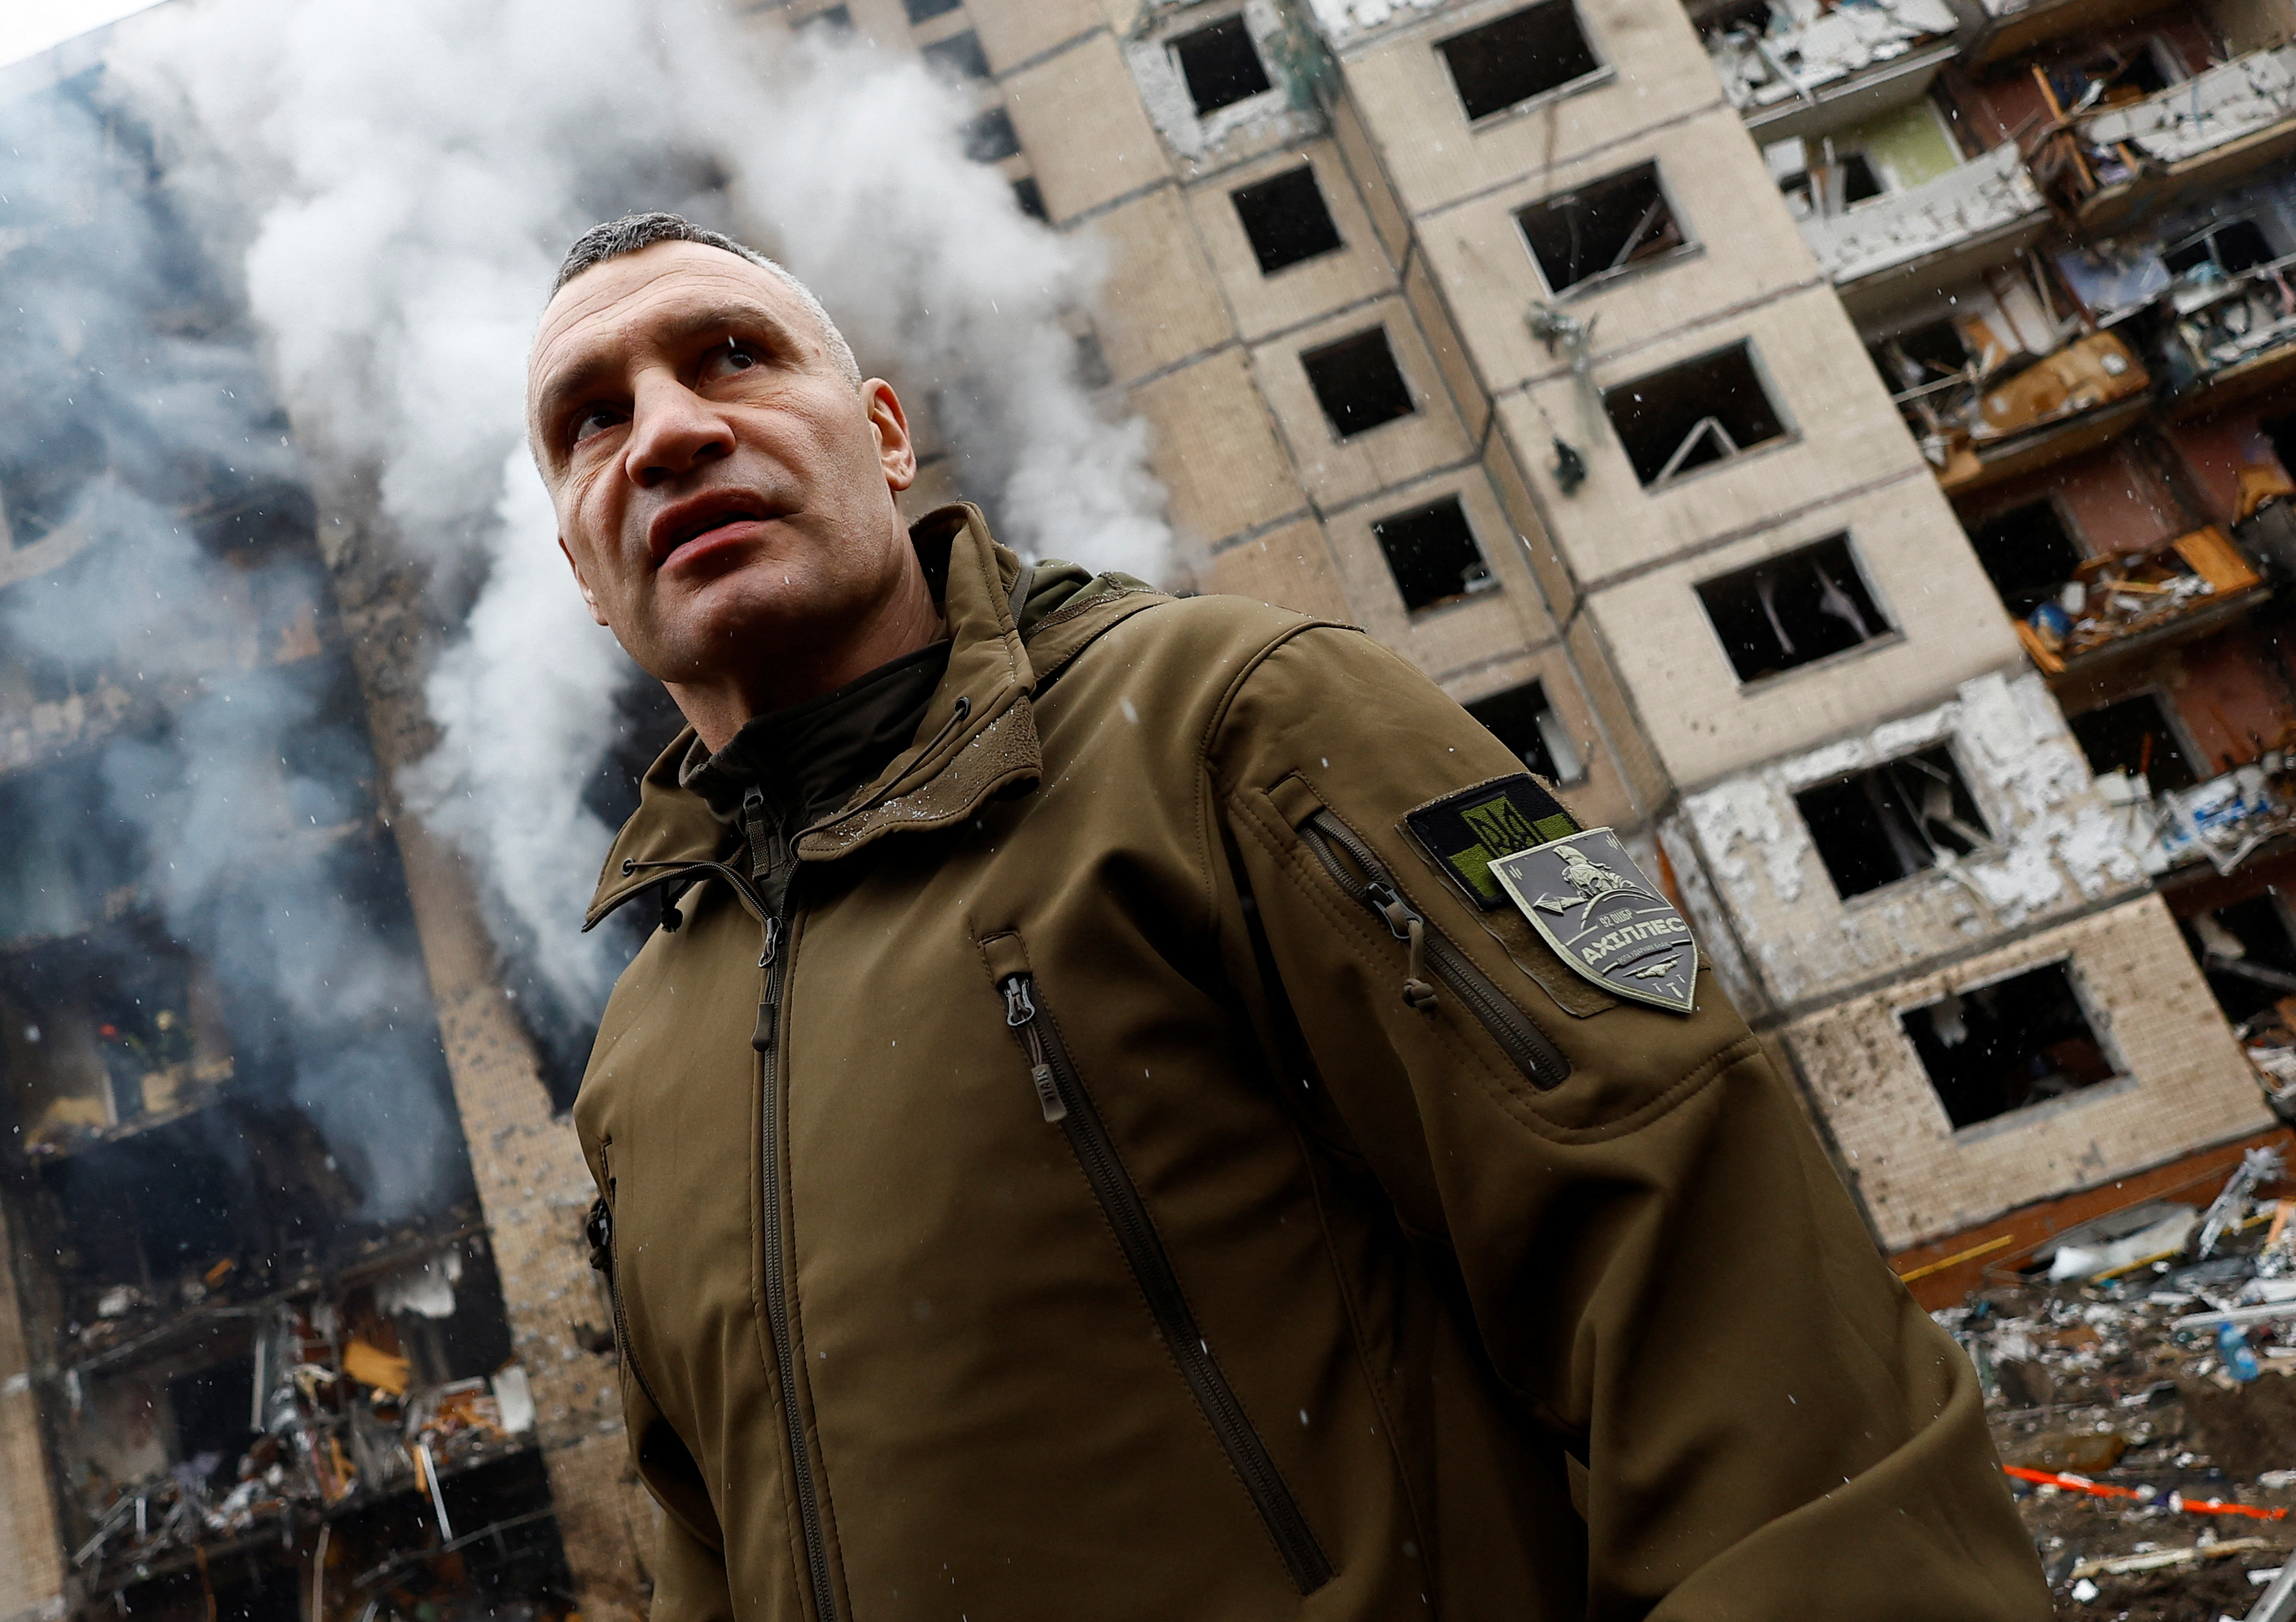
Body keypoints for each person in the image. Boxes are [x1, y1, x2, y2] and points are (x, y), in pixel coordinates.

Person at [530, 212, 2050, 1622]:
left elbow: (1703, 1266)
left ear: (882, 436)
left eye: (732, 355)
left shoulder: (1231, 727)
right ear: (581, 569)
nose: (669, 432)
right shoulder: (644, 1060)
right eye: (592, 418)